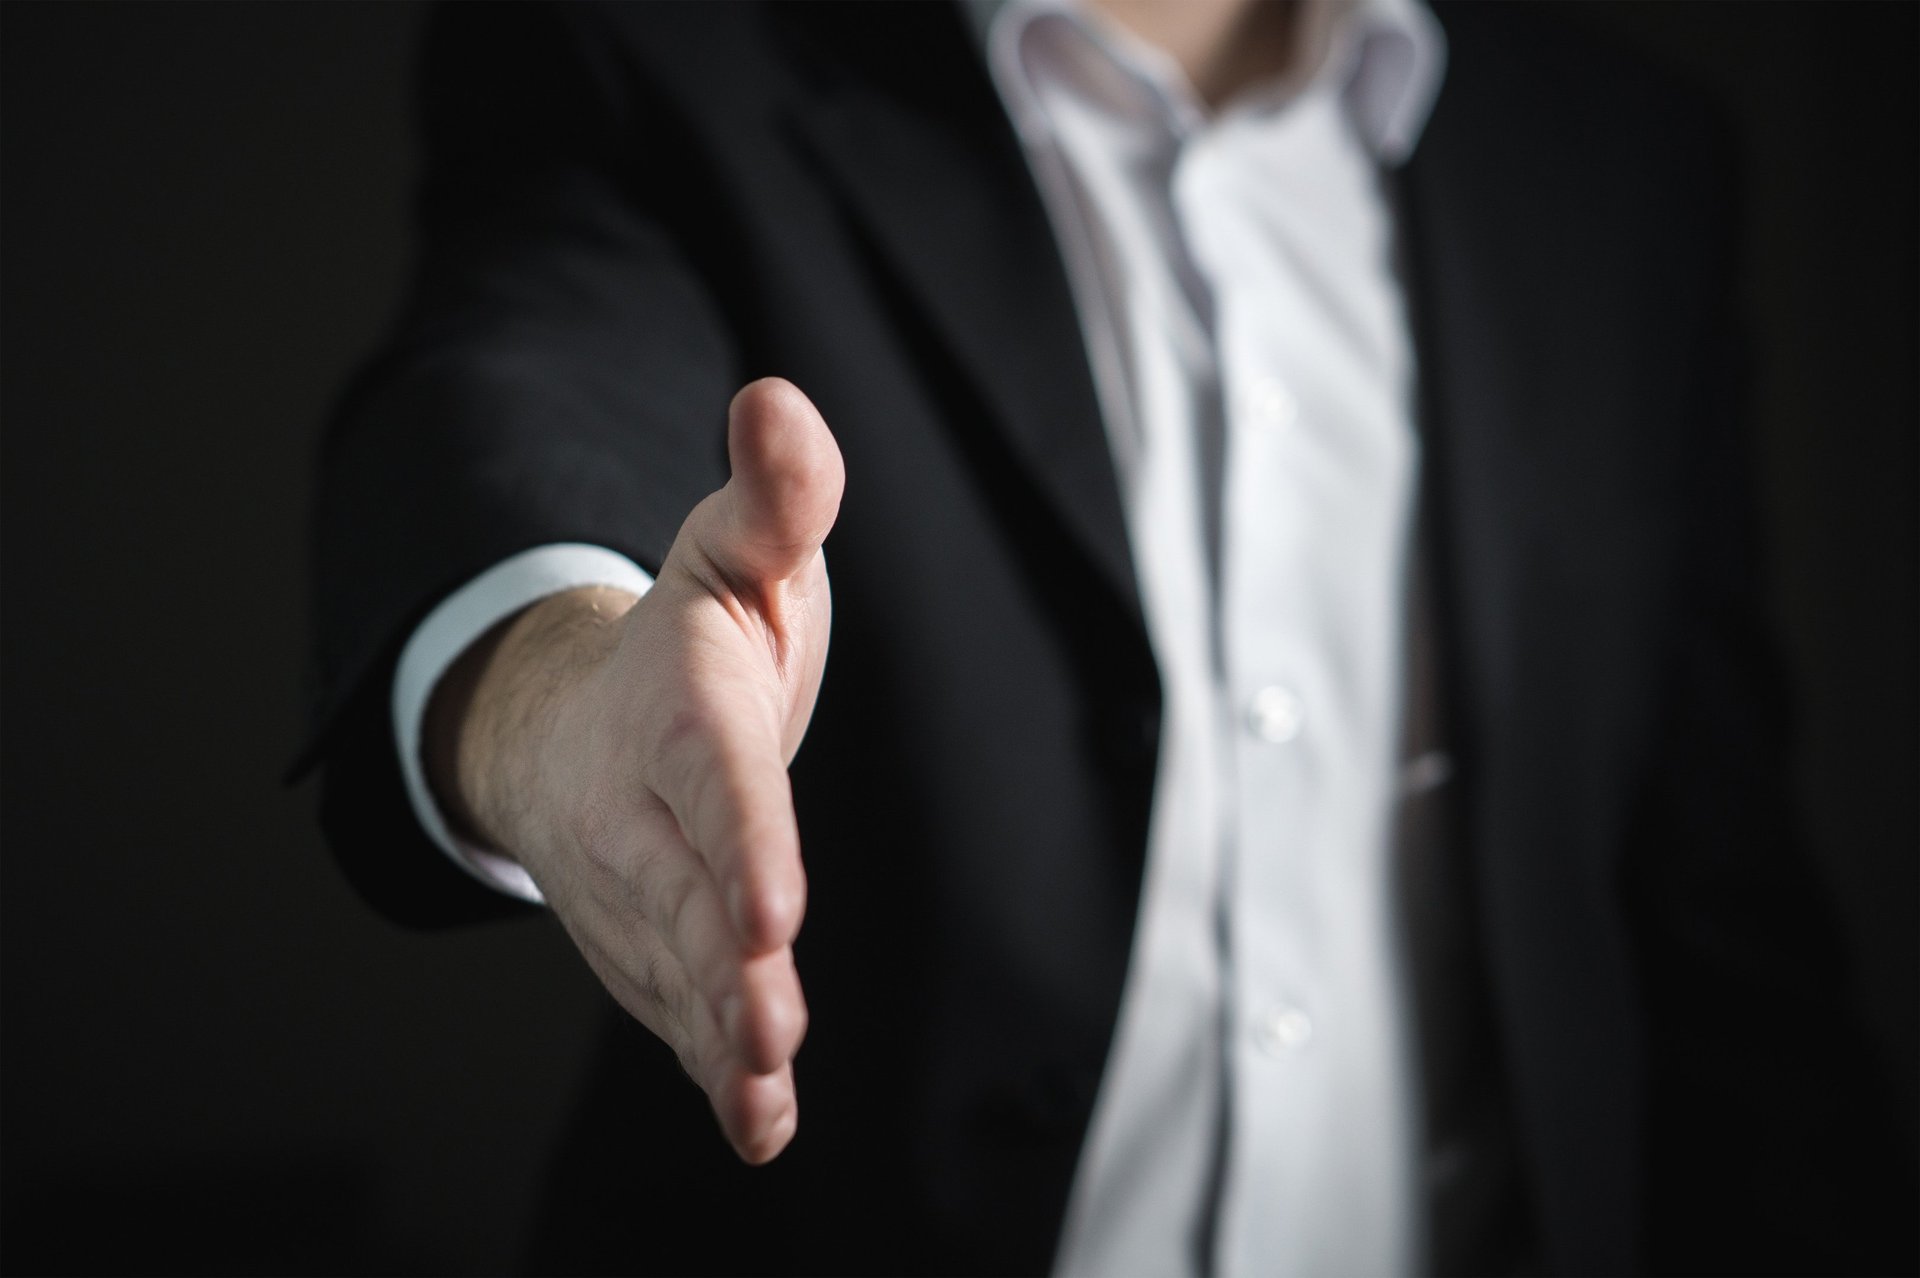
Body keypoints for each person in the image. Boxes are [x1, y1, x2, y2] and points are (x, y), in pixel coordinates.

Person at [304, 1, 1909, 1273]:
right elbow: (512, 395)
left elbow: (1720, 929)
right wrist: (558, 696)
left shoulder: (1631, 162)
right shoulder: (651, 43)